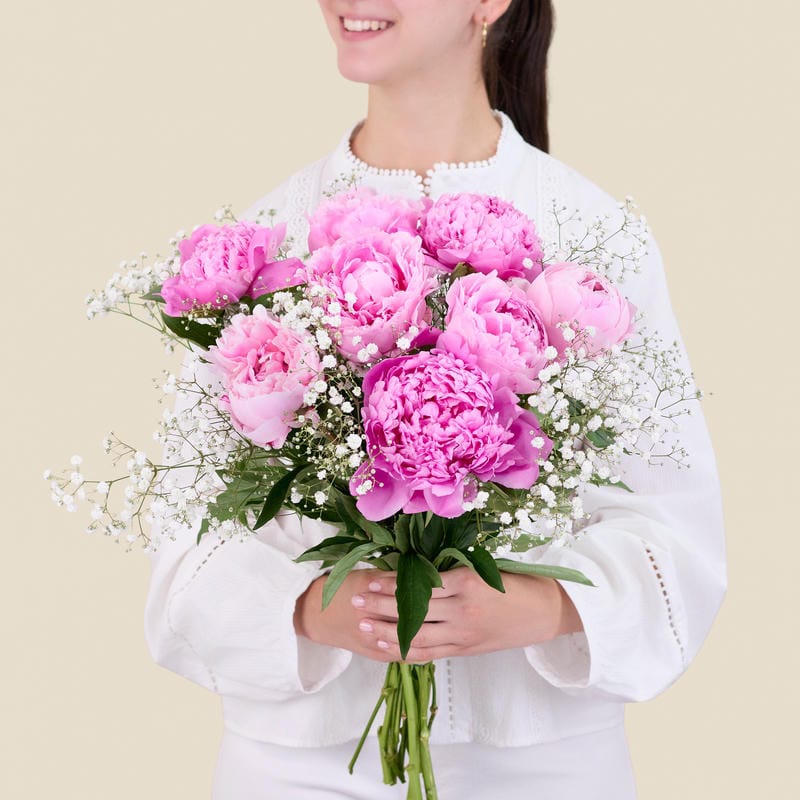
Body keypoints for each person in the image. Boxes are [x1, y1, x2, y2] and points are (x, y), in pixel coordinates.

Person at [144, 1, 727, 797]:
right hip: (296, 766)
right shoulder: (266, 240)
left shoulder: (594, 234)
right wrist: (307, 610)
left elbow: (678, 525)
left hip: (545, 766)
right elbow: (184, 545)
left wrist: (545, 608)